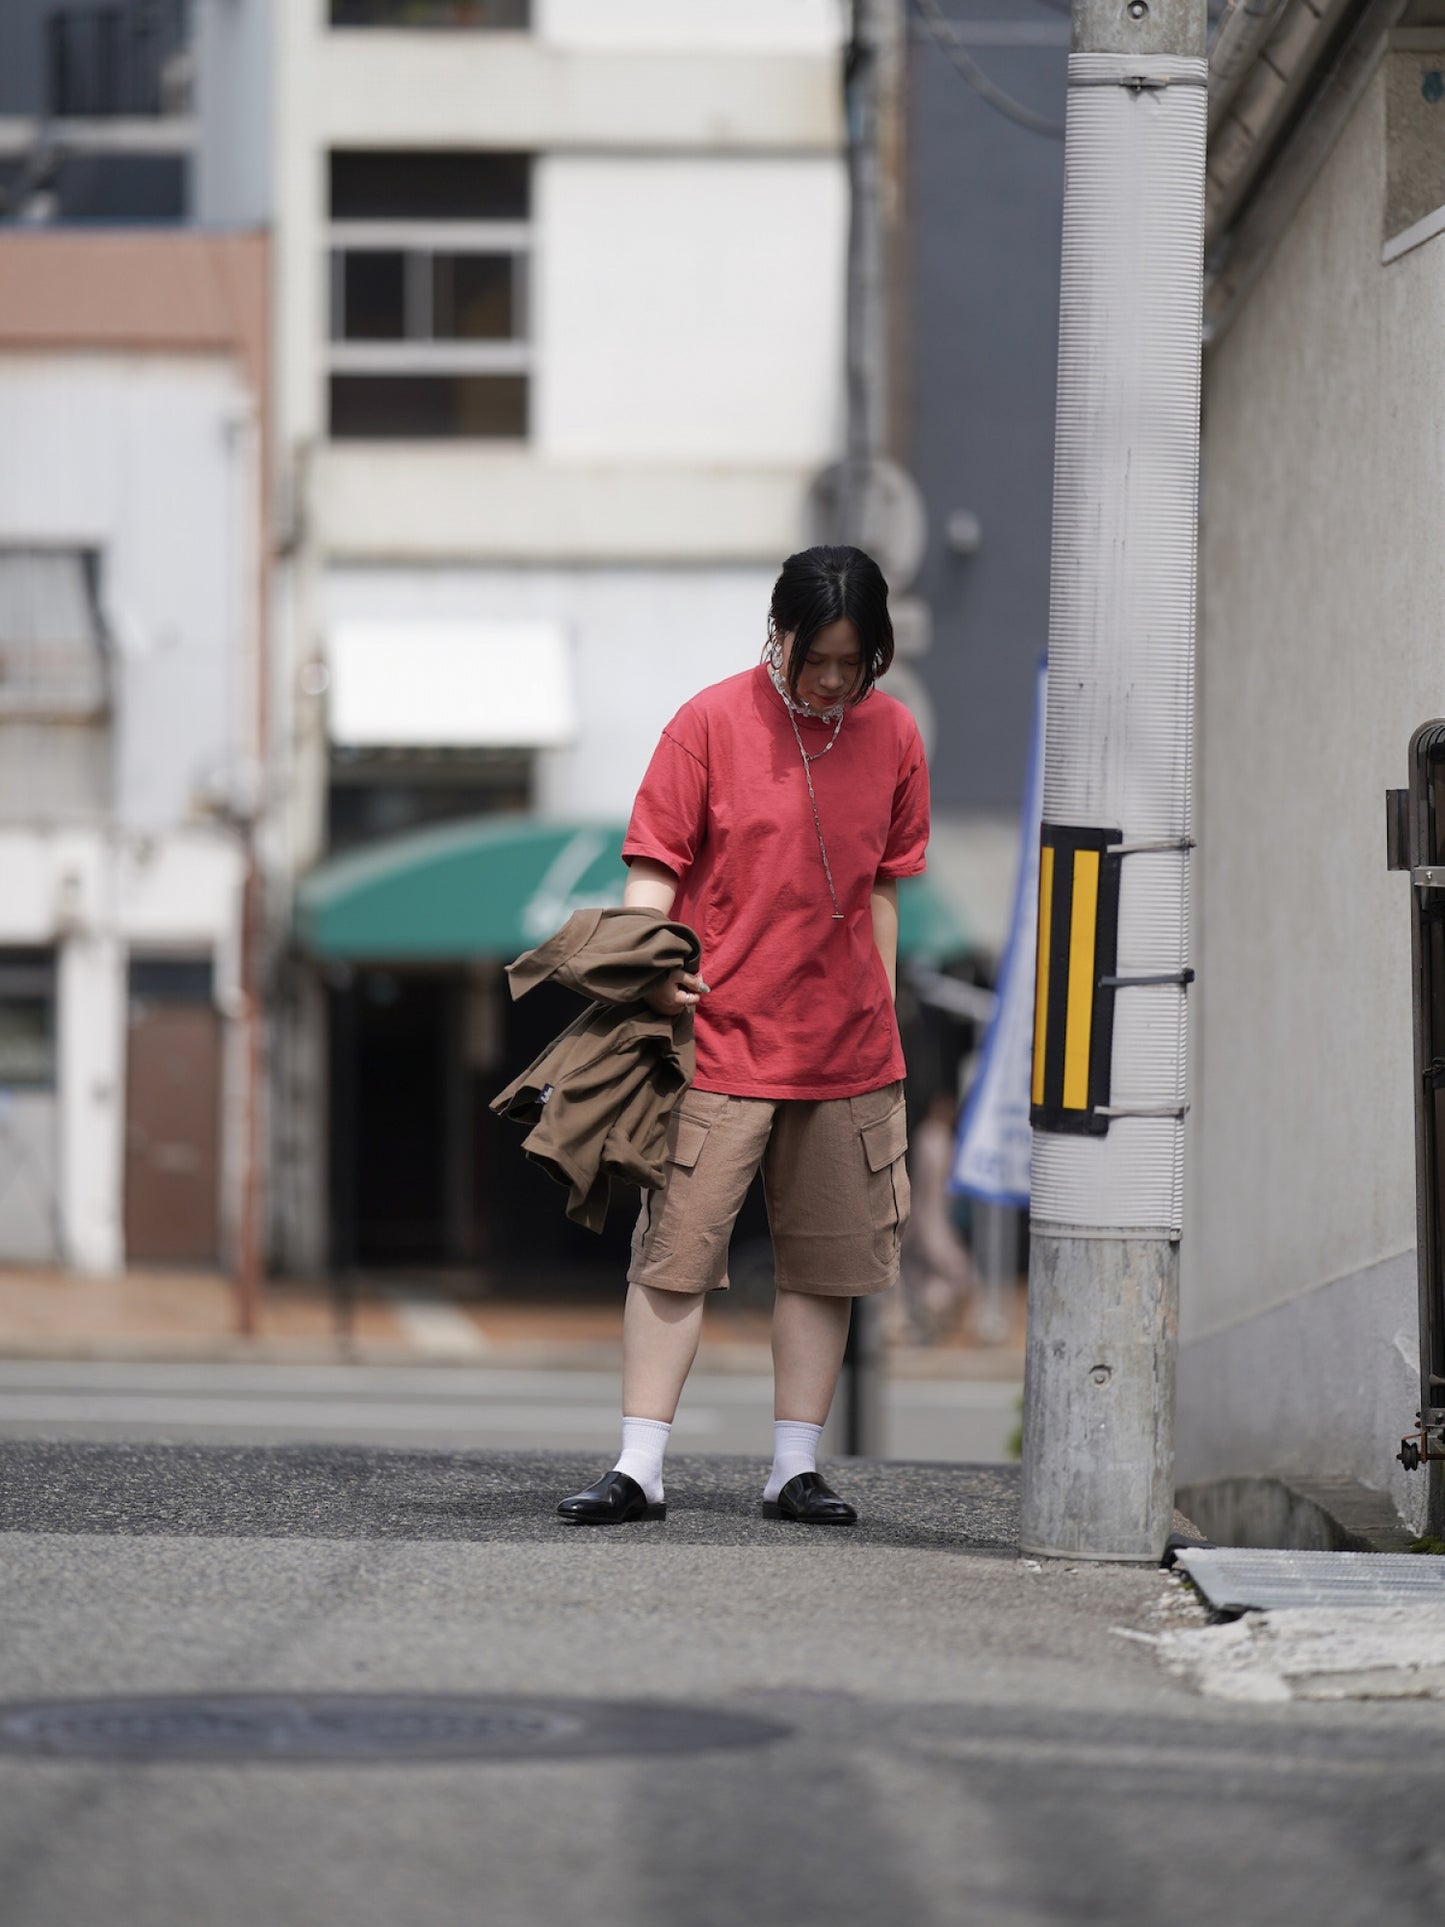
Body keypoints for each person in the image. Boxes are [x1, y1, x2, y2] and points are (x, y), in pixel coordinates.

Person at [557, 545, 930, 1527]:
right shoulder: (709, 724)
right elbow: (653, 864)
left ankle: (791, 1468)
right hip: (716, 1034)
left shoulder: (892, 736)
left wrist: (879, 1010)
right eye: (820, 659)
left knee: (824, 1264)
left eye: (857, 660)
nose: (837, 679)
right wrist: (646, 974)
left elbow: (884, 885)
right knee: (673, 1253)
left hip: (846, 1049)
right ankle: (639, 1465)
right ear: (779, 635)